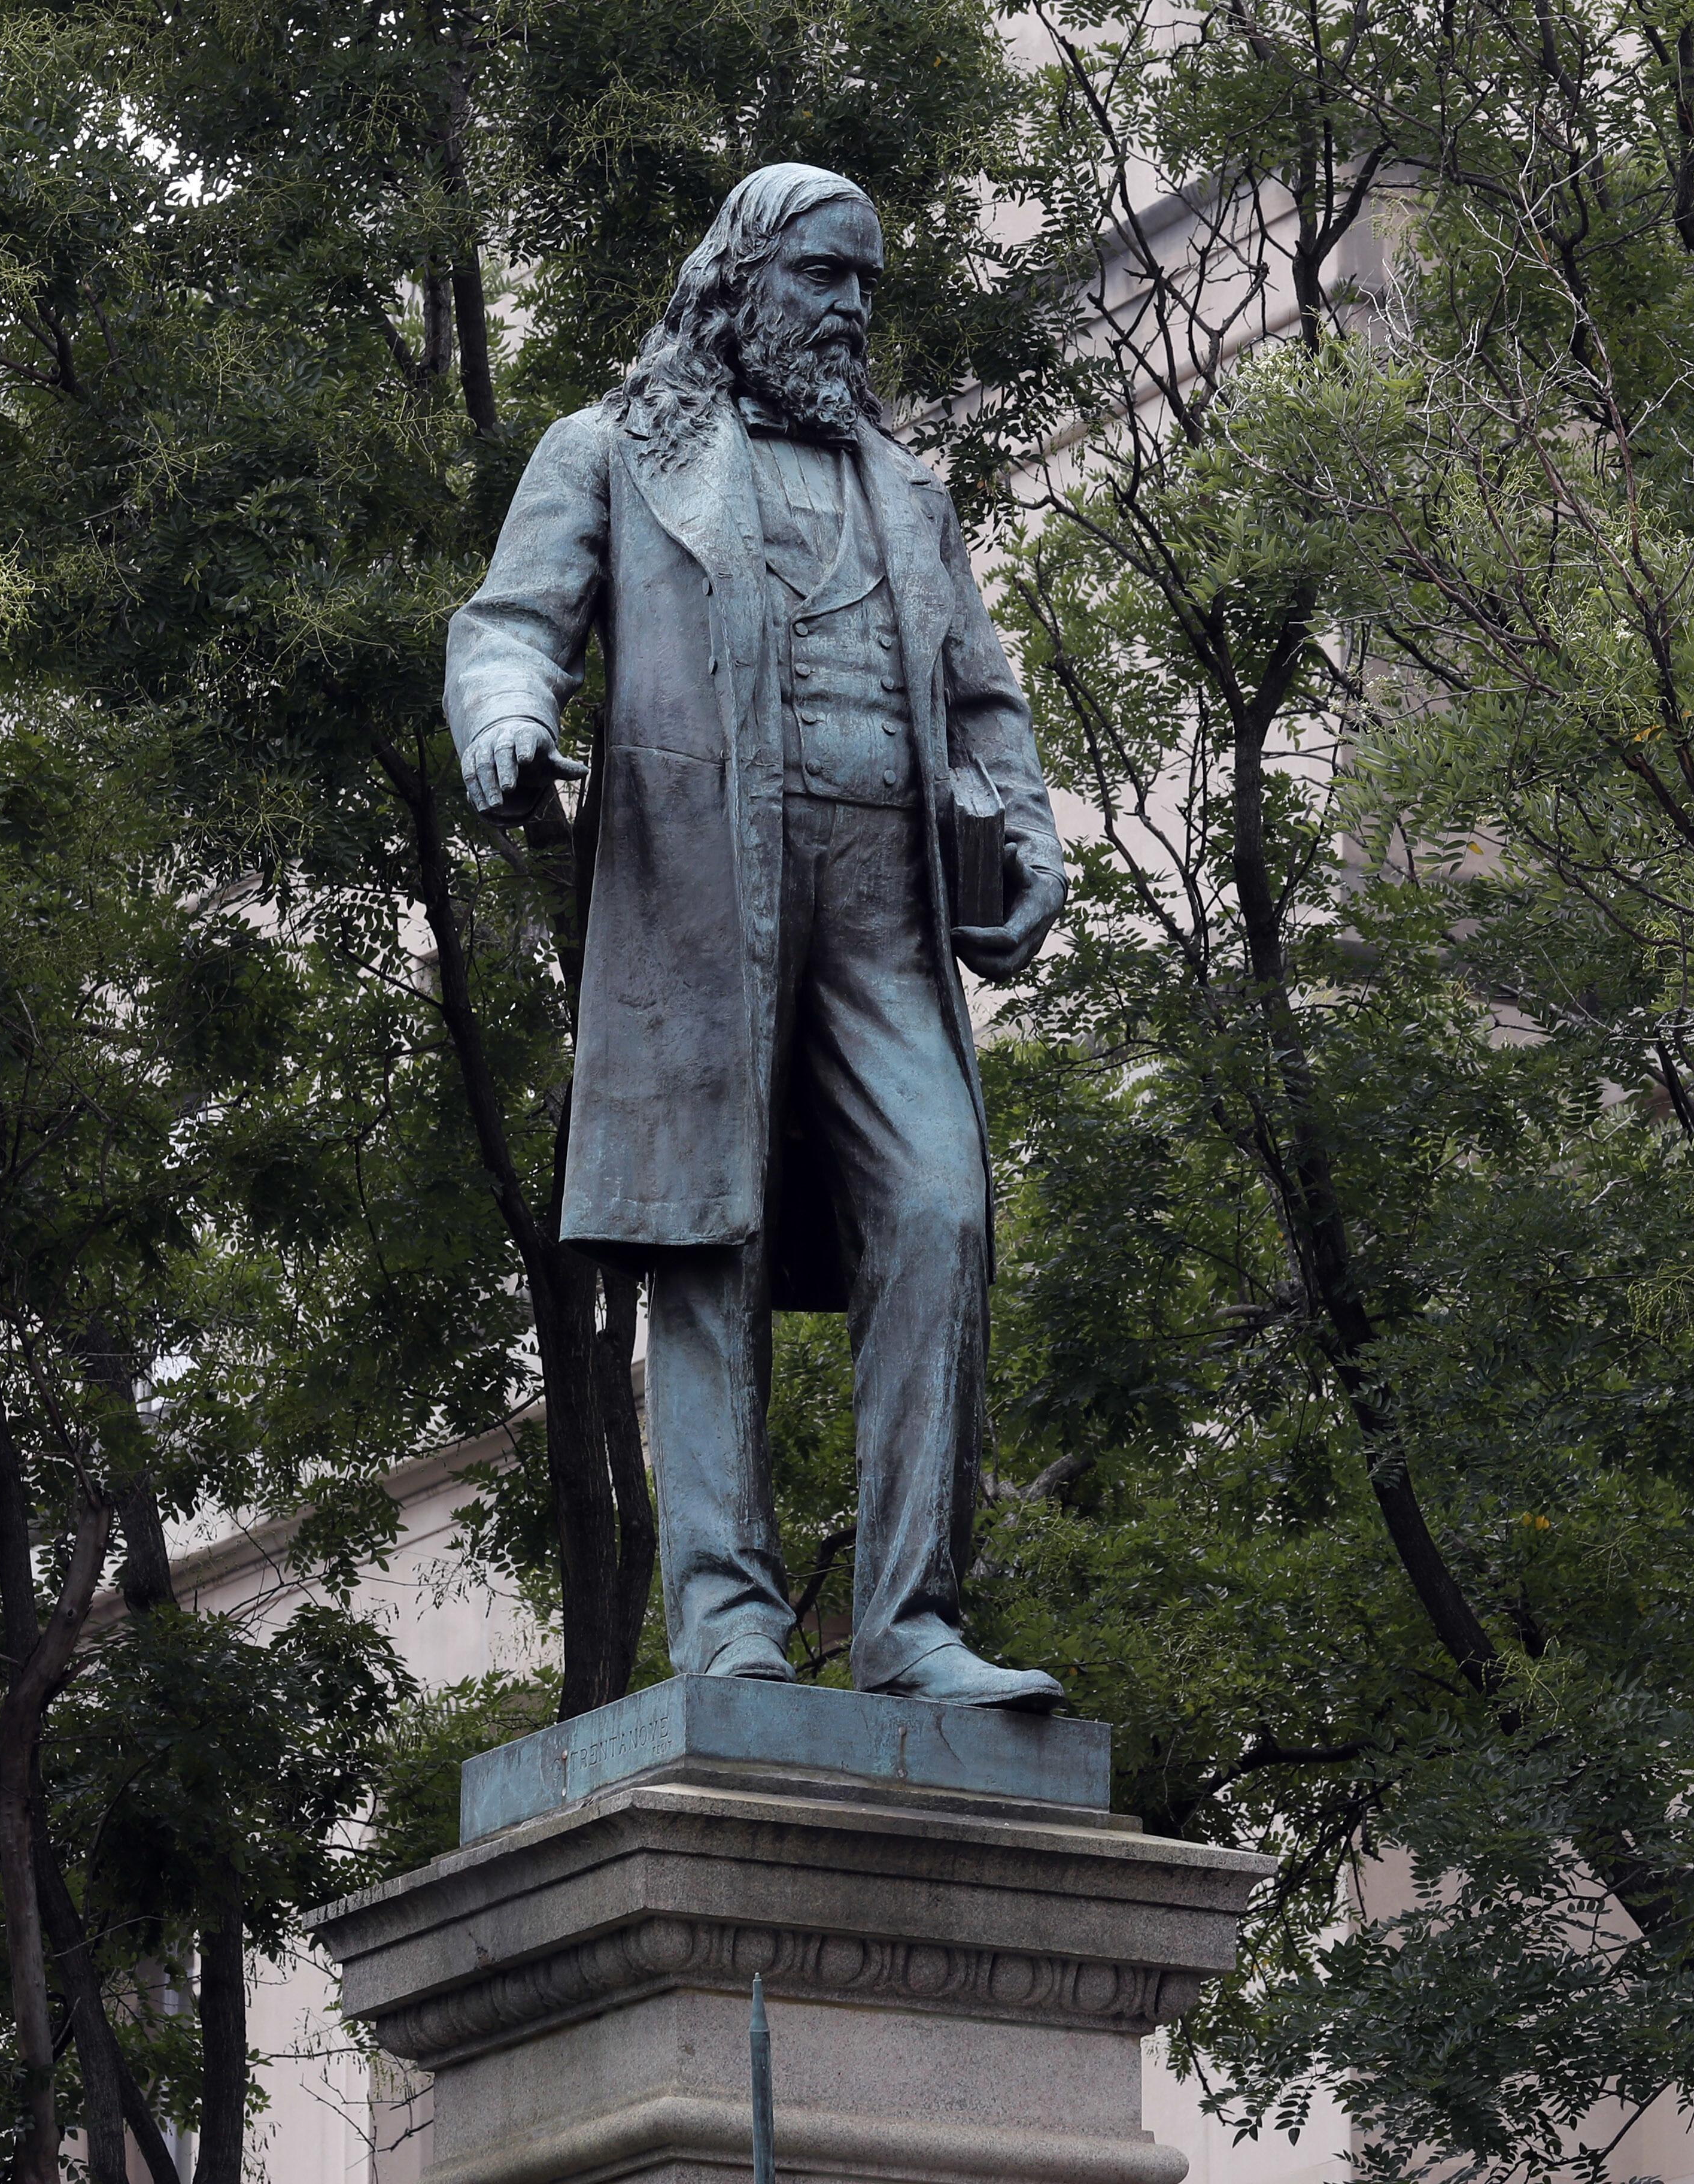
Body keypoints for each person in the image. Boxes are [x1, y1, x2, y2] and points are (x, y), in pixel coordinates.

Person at [445, 163, 1067, 1710]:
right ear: (739, 287)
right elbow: (509, 628)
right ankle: (726, 1622)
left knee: (938, 1212)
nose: (852, 309)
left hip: (882, 912)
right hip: (698, 900)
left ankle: (910, 1619)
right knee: (703, 1244)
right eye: (821, 277)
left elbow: (983, 698)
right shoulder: (612, 454)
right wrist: (510, 734)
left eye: (866, 283)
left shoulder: (908, 493)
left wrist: (1031, 837)